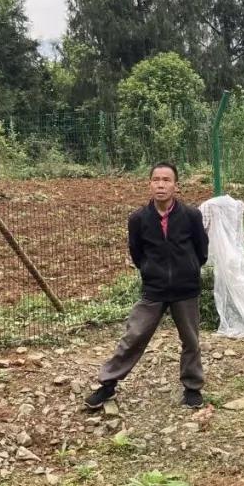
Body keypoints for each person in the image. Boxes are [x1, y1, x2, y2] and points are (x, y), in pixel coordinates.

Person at [84, 162, 209, 410]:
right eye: (156, 180)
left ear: (176, 186)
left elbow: (201, 250)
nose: (161, 185)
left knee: (191, 340)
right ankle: (107, 384)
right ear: (150, 184)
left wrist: (188, 268)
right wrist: (152, 271)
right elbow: (137, 253)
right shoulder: (138, 219)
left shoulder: (191, 216)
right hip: (154, 289)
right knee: (134, 335)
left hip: (185, 289)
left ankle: (192, 388)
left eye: (166, 180)